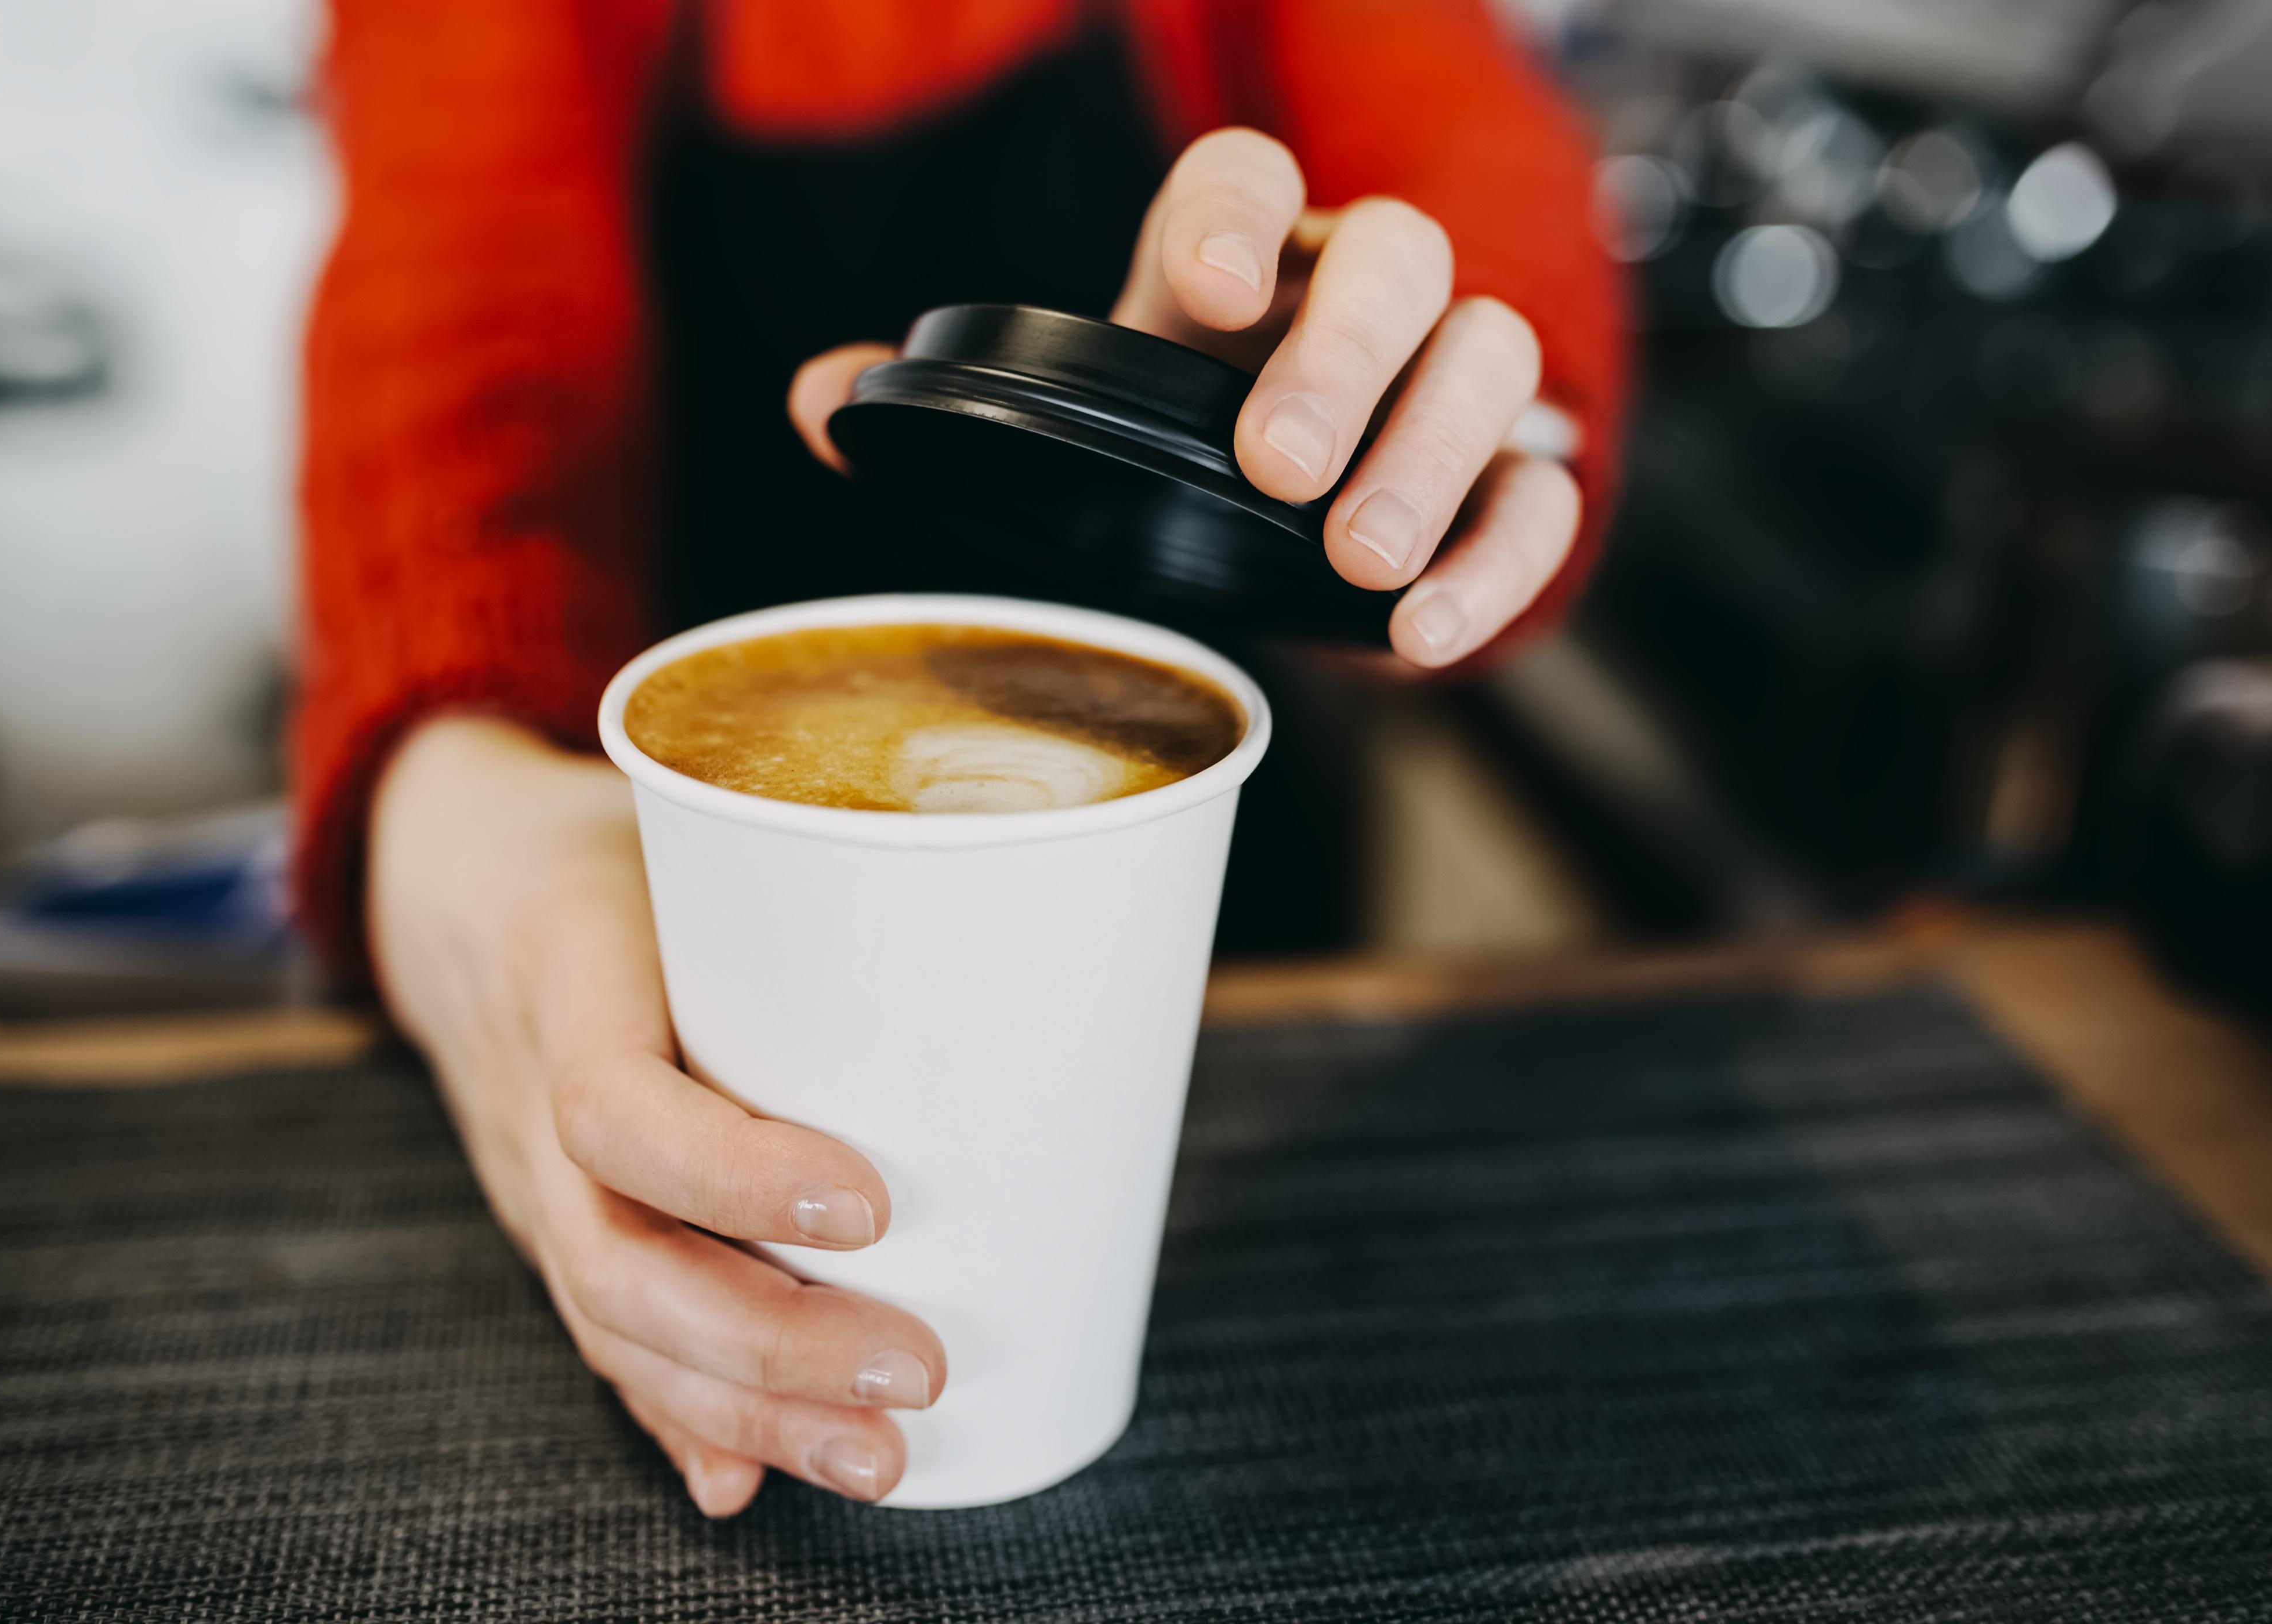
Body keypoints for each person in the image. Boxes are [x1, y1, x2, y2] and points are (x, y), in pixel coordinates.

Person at [295, 0, 1626, 1517]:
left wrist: (1425, 417)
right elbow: (462, 312)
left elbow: (1460, 136)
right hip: (692, 897)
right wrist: (462, 794)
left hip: (1232, 945)